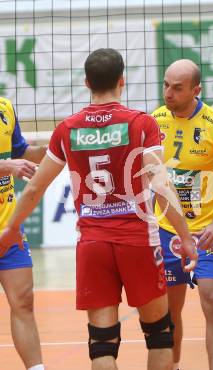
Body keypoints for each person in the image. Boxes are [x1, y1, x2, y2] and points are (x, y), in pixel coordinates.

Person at [0, 48, 198, 370]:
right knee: (160, 335)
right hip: (137, 240)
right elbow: (162, 186)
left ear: (86, 82)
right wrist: (186, 237)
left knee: (102, 343)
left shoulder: (67, 129)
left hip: (92, 243)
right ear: (122, 80)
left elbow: (35, 187)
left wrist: (10, 229)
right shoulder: (141, 123)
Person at [153, 59, 213, 370]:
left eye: (177, 88)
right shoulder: (154, 121)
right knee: (169, 311)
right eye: (166, 84)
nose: (168, 92)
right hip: (167, 231)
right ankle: (174, 365)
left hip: (208, 231)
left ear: (196, 90)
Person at [0, 98, 46, 370]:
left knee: (24, 301)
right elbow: (11, 162)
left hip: (7, 228)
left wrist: (57, 148)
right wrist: (6, 167)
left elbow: (21, 151)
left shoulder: (4, 107)